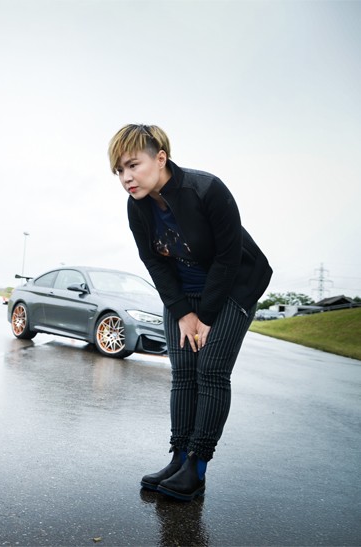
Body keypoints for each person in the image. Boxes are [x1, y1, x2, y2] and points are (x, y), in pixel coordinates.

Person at [107, 124, 272, 501]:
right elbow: (154, 261)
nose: (126, 178)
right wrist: (182, 312)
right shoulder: (137, 207)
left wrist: (207, 317)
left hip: (232, 288)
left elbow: (229, 259)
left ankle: (197, 468)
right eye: (118, 170)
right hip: (183, 295)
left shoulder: (208, 189)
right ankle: (179, 456)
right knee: (182, 373)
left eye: (132, 165)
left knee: (210, 371)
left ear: (160, 158)